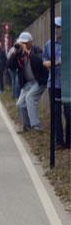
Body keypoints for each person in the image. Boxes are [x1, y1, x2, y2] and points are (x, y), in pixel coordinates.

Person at [8, 31, 48, 132]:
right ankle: (27, 126)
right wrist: (15, 53)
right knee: (20, 104)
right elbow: (10, 66)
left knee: (30, 98)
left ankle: (36, 125)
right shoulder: (18, 54)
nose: (23, 45)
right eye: (22, 43)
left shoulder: (37, 50)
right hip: (27, 83)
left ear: (31, 42)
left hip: (39, 81)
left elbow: (40, 63)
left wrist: (28, 52)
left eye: (25, 43)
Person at [43, 17, 68, 148]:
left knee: (68, 112)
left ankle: (69, 140)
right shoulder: (49, 44)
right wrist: (56, 62)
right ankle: (59, 141)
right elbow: (45, 62)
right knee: (56, 113)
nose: (57, 30)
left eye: (59, 27)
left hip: (67, 84)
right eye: (55, 28)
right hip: (53, 83)